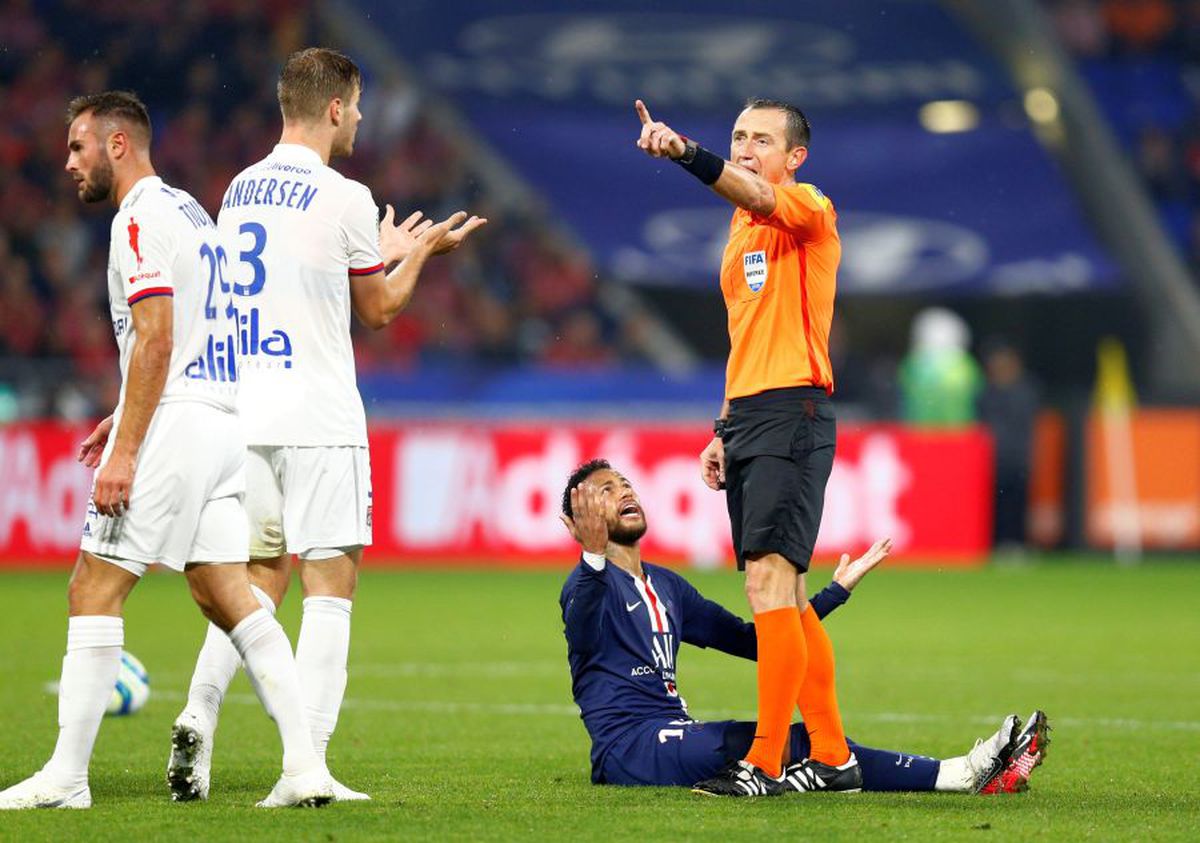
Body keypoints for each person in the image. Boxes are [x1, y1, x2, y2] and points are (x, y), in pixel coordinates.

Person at [153, 48, 486, 803]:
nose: (361, 118)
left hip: (245, 413)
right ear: (335, 107)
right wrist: (419, 253)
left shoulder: (238, 189)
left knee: (257, 578)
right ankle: (308, 767)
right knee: (330, 584)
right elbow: (380, 309)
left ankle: (199, 712)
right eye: (357, 105)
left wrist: (374, 254)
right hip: (318, 414)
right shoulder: (345, 195)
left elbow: (287, 279)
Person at [0, 91, 332, 810]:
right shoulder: (191, 213)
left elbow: (156, 338)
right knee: (228, 594)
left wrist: (126, 449)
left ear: (117, 144)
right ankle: (305, 766)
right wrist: (121, 411)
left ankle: (66, 778)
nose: (68, 163)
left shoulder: (139, 218)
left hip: (178, 425)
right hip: (222, 421)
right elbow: (193, 338)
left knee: (93, 586)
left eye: (79, 147)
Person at [558, 460, 1051, 794]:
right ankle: (962, 774)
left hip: (672, 731)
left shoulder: (667, 585)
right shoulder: (584, 584)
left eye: (626, 484)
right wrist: (593, 556)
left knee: (802, 740)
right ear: (577, 521)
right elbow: (582, 631)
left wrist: (830, 595)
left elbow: (758, 642)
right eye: (606, 491)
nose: (625, 492)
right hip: (629, 748)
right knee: (775, 744)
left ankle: (959, 774)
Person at [634, 97, 857, 795]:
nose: (746, 148)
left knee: (768, 582)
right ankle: (833, 756)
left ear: (795, 157)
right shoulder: (739, 230)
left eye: (763, 139)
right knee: (785, 592)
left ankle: (764, 762)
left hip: (794, 411)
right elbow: (747, 336)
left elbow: (758, 192)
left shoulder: (808, 207)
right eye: (738, 137)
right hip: (753, 415)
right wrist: (724, 426)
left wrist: (686, 152)